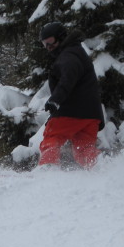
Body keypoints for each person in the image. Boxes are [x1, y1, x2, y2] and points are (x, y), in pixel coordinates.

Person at [37, 21, 104, 169]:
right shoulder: (76, 52)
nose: (48, 47)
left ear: (60, 37)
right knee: (83, 149)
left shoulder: (69, 55)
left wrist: (55, 100)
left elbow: (68, 78)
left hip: (72, 110)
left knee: (52, 136)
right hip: (90, 114)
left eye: (50, 42)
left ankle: (48, 167)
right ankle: (101, 169)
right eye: (44, 44)